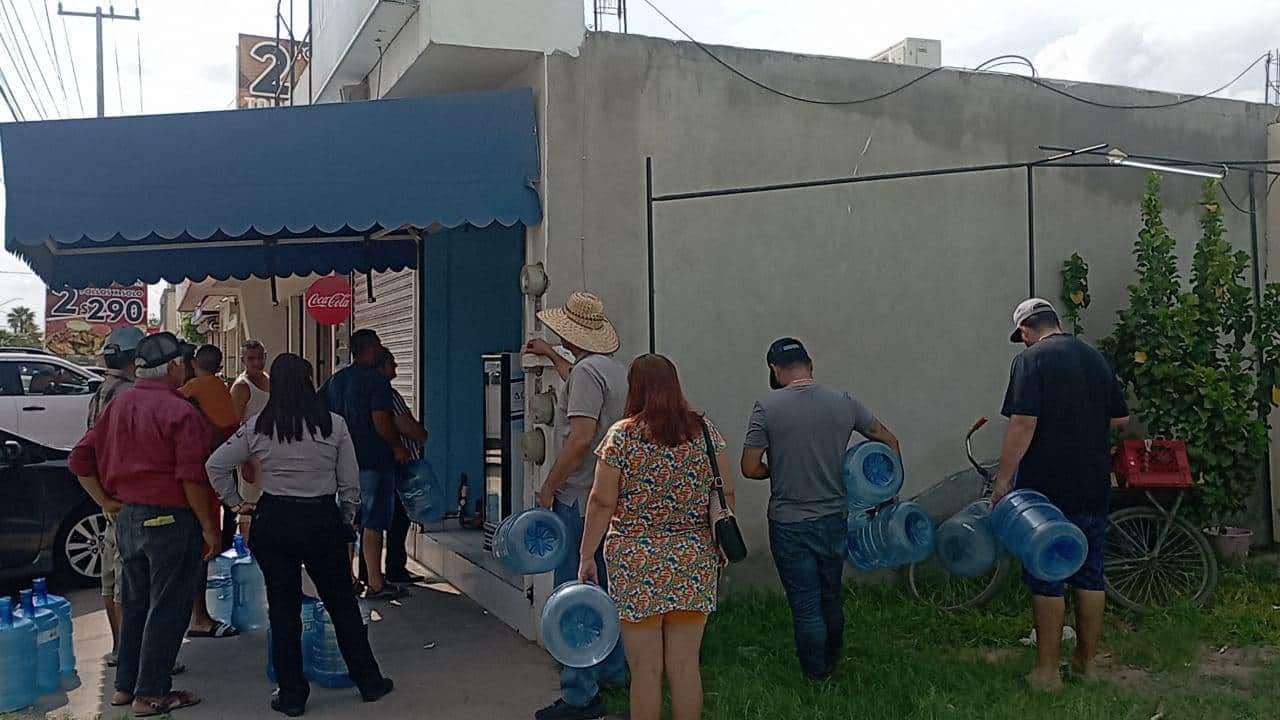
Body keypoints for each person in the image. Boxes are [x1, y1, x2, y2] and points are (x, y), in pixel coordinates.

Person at [206, 353, 395, 716]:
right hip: (321, 519)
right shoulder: (334, 424)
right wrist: (346, 517)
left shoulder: (260, 425)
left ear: (274, 384)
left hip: (274, 519)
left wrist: (237, 505)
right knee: (341, 604)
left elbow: (216, 465)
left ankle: (292, 695)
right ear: (310, 381)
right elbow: (350, 483)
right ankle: (369, 682)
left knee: (283, 608)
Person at [69, 332, 220, 717]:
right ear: (173, 366)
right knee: (168, 608)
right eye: (182, 363)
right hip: (170, 519)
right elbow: (191, 477)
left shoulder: (119, 404)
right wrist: (209, 526)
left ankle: (125, 687)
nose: (186, 367)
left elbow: (80, 459)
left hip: (129, 519)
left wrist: (105, 502)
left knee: (135, 604)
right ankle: (152, 694)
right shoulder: (180, 411)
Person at [578, 354, 733, 720]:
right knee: (685, 665)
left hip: (636, 560)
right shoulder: (705, 432)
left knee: (645, 670)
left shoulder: (622, 435)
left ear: (635, 388)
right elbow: (726, 490)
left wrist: (587, 554)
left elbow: (601, 501)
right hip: (694, 557)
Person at [740, 338, 901, 681]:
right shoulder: (843, 402)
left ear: (774, 369)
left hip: (789, 522)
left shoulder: (766, 408)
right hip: (833, 517)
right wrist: (884, 487)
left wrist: (777, 469)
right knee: (831, 593)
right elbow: (889, 439)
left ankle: (816, 675)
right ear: (810, 364)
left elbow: (749, 466)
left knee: (805, 602)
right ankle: (833, 659)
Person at [991, 299, 1129, 691]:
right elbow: (1120, 418)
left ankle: (1047, 673)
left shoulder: (1031, 361)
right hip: (1092, 484)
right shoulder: (1093, 356)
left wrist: (1002, 482)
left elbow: (1022, 423)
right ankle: (1087, 664)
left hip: (1046, 492)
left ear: (1025, 331)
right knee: (1090, 573)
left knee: (1047, 576)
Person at [523, 291, 628, 720]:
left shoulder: (587, 373)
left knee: (575, 598)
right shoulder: (611, 371)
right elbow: (575, 385)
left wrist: (549, 485)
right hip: (607, 499)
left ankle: (581, 694)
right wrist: (550, 355)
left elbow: (581, 436)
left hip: (581, 498)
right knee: (603, 589)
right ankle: (615, 669)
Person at [322, 329, 410, 601]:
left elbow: (319, 411)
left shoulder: (336, 380)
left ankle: (346, 578)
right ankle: (375, 581)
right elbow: (381, 419)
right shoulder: (375, 381)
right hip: (373, 460)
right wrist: (397, 446)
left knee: (347, 520)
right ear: (369, 349)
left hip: (341, 463)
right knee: (373, 523)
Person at [86, 325, 145, 668]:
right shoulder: (127, 395)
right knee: (128, 585)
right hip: (127, 497)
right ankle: (132, 657)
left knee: (111, 580)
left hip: (111, 495)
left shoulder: (102, 391)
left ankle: (120, 648)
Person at [178, 344, 241, 640]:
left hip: (201, 473)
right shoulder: (223, 387)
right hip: (223, 469)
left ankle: (196, 614)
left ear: (191, 363)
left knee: (200, 542)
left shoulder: (191, 389)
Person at [373, 348, 427, 585]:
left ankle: (375, 571)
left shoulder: (367, 393)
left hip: (379, 465)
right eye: (392, 365)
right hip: (397, 466)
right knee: (399, 518)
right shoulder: (387, 395)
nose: (395, 369)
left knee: (381, 520)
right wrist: (421, 434)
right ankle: (395, 569)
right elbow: (404, 424)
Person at [231, 340, 271, 539]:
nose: (256, 363)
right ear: (243, 360)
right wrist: (243, 460)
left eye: (259, 358)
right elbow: (234, 426)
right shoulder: (241, 386)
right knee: (249, 505)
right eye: (251, 359)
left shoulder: (269, 380)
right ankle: (249, 551)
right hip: (250, 455)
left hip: (270, 454)